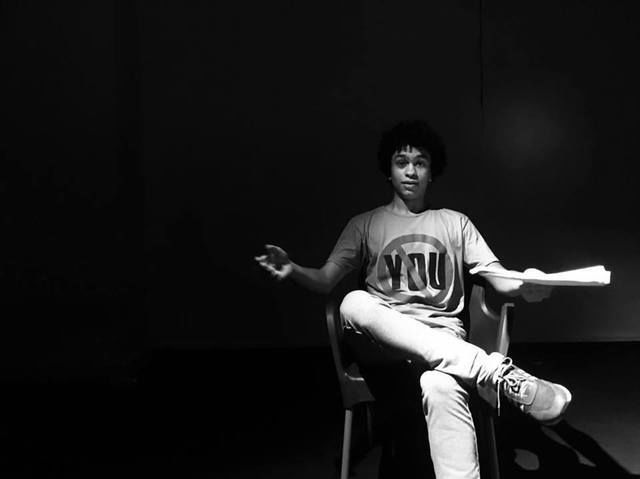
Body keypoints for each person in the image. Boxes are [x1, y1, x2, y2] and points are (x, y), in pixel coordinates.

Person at [254, 120, 572, 479]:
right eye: (401, 162)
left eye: (420, 163)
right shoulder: (365, 224)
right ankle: (494, 372)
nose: (410, 171)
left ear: (431, 172)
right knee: (353, 302)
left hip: (444, 340)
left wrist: (527, 283)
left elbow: (498, 276)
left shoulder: (455, 222)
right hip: (382, 346)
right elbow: (326, 280)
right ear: (388, 171)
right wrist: (293, 269)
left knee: (440, 384)